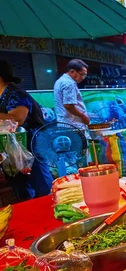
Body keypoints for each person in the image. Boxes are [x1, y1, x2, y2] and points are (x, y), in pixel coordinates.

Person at [0, 61, 52, 201]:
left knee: (40, 182)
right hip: (12, 149)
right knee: (20, 187)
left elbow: (18, 119)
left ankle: (48, 207)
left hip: (31, 145)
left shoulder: (16, 94)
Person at [53, 59, 90, 130]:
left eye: (85, 75)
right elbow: (68, 105)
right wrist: (83, 116)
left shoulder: (60, 80)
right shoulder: (69, 84)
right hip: (73, 124)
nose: (83, 78)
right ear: (72, 71)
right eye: (81, 74)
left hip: (64, 123)